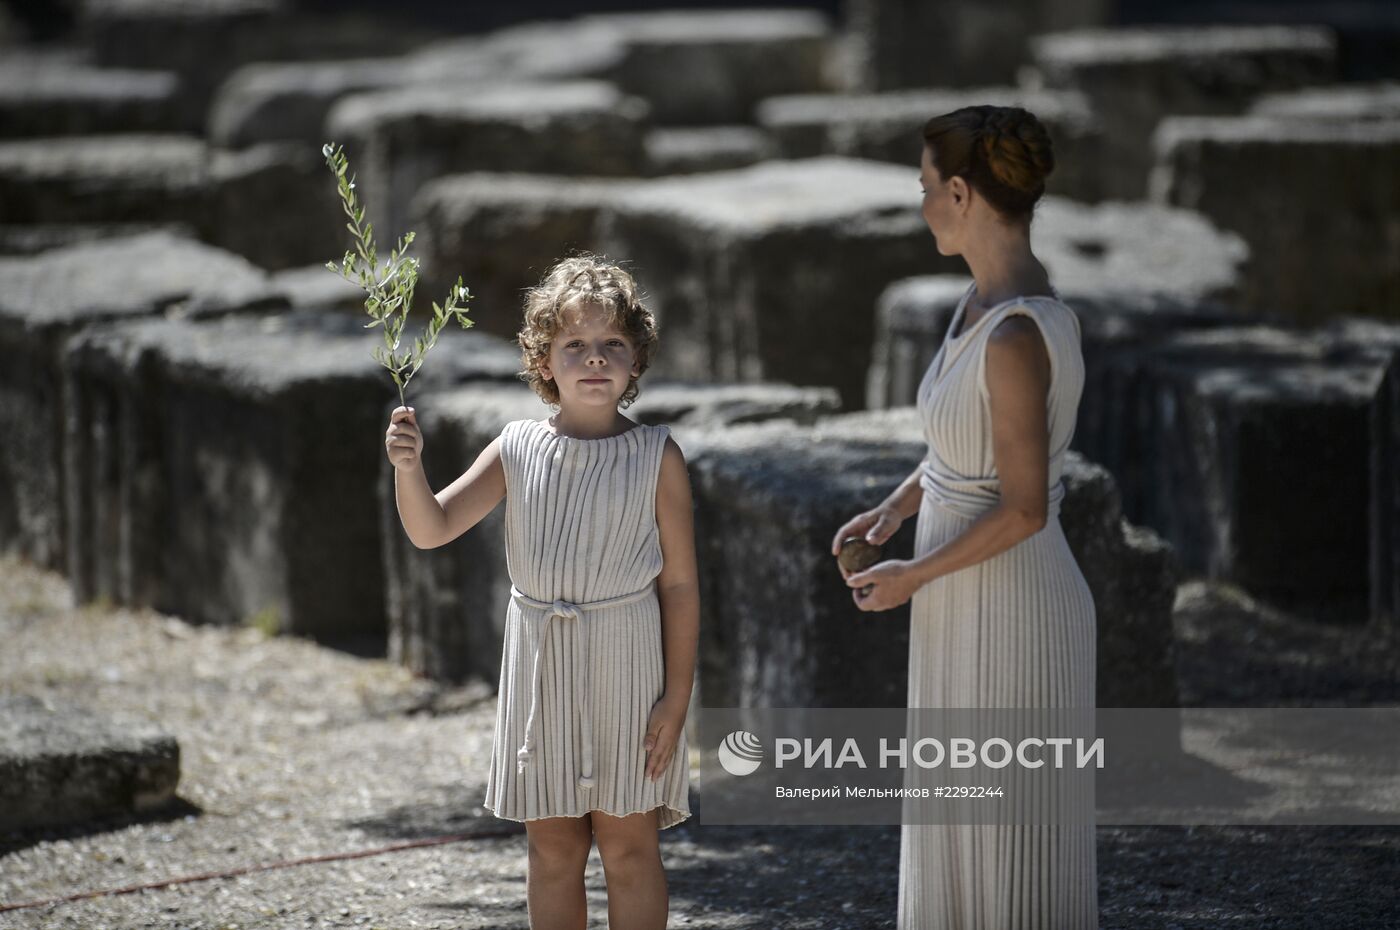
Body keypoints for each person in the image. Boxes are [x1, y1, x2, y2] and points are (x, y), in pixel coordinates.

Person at [832, 105, 1098, 928]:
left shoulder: (1018, 333)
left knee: (1006, 842)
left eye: (923, 189)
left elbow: (1022, 508)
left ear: (959, 192)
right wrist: (893, 509)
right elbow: (961, 451)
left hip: (1011, 600)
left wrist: (912, 574)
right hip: (961, 591)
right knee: (961, 831)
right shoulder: (978, 306)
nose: (920, 207)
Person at [384, 254, 697, 930]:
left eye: (612, 344)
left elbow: (678, 585)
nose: (594, 359)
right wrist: (409, 469)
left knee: (629, 847)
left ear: (636, 360)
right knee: (552, 848)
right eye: (575, 345)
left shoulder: (658, 457)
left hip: (627, 670)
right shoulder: (516, 447)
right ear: (543, 360)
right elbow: (432, 527)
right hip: (541, 670)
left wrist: (676, 696)